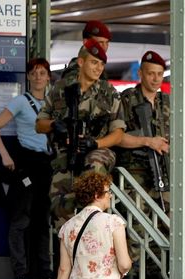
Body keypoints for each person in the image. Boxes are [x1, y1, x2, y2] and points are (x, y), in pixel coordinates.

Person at [36, 39, 126, 229]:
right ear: (81, 62)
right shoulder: (60, 89)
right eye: (94, 62)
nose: (99, 68)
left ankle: (93, 229)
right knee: (60, 212)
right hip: (65, 155)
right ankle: (67, 250)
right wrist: (55, 124)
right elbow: (39, 125)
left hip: (98, 151)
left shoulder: (109, 93)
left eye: (102, 64)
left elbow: (118, 134)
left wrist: (96, 144)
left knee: (93, 167)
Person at [0, 58, 53, 279]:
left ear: (48, 78)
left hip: (48, 165)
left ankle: (44, 271)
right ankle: (21, 273)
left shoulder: (55, 103)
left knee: (43, 220)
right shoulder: (20, 102)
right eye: (34, 73)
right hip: (27, 164)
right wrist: (5, 156)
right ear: (27, 77)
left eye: (42, 73)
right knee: (21, 219)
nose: (38, 77)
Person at [117, 50, 170, 207]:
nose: (156, 79)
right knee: (140, 227)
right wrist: (148, 142)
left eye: (159, 74)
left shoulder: (167, 102)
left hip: (165, 172)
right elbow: (117, 137)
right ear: (140, 73)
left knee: (168, 226)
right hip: (135, 175)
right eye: (151, 74)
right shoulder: (126, 99)